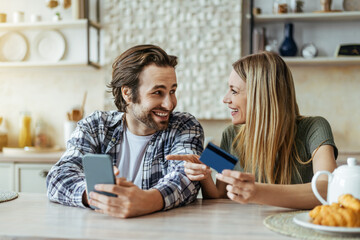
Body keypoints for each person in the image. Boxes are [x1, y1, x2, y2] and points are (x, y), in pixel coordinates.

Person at [46, 44, 204, 218]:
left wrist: (148, 201)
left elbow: (187, 177)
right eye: (158, 92)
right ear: (127, 93)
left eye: (172, 91)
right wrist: (98, 197)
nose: (169, 104)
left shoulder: (184, 126)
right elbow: (57, 177)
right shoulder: (95, 126)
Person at [167, 51, 338, 209]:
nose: (225, 99)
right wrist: (203, 175)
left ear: (261, 96)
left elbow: (327, 187)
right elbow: (219, 194)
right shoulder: (229, 134)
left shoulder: (315, 127)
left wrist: (257, 192)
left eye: (233, 91)